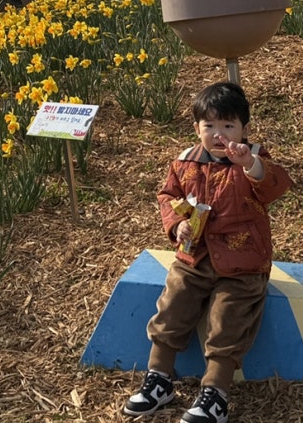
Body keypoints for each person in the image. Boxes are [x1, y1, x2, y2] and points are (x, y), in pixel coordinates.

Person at [123, 80, 291, 423]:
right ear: (196, 128)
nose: (219, 135)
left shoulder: (253, 159)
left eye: (228, 126)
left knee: (228, 318)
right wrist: (177, 225)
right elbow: (168, 196)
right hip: (194, 255)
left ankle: (215, 393)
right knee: (173, 303)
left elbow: (275, 186)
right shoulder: (185, 162)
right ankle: (159, 377)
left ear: (244, 129)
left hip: (242, 263)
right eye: (209, 126)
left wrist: (249, 164)